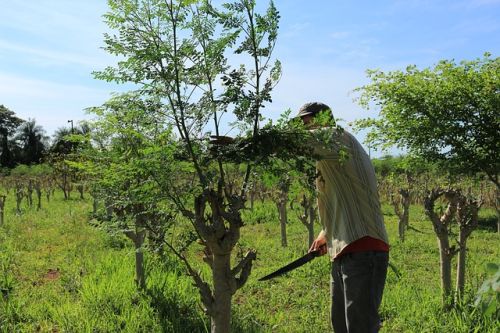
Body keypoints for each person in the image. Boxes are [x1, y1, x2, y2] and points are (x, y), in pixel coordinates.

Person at [300, 102, 390, 333]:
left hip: (363, 246)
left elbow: (294, 142)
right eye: (302, 122)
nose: (304, 127)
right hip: (344, 251)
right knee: (340, 326)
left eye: (308, 120)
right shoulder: (326, 156)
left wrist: (248, 144)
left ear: (326, 118)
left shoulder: (337, 138)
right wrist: (325, 234)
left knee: (359, 328)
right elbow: (340, 200)